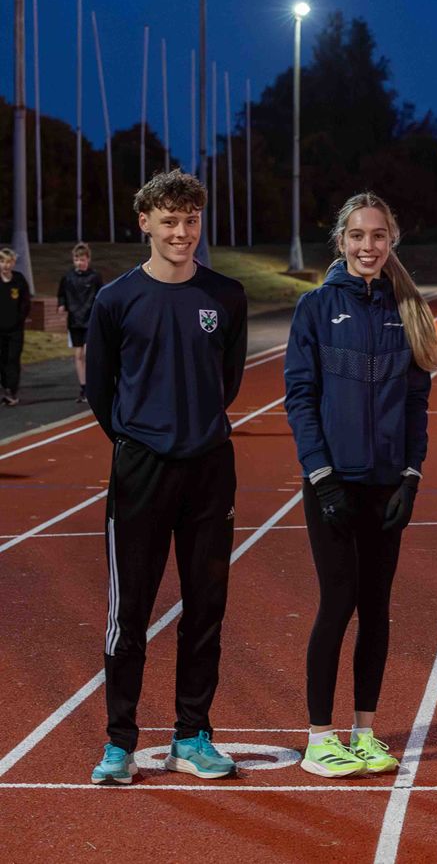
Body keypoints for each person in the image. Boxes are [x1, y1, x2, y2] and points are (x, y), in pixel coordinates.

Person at [85, 169, 248, 784]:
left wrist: (194, 427)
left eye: (191, 221)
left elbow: (227, 381)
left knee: (206, 607)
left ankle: (192, 734)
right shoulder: (116, 300)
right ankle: (119, 743)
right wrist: (139, 438)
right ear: (145, 224)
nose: (182, 232)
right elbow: (101, 392)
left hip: (209, 469)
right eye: (170, 221)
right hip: (141, 471)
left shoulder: (226, 296)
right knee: (129, 611)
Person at [284, 192, 437, 778]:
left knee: (377, 610)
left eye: (378, 235)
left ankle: (365, 732)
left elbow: (418, 407)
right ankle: (320, 737)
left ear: (391, 239)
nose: (367, 246)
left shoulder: (409, 309)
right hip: (334, 484)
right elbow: (300, 399)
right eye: (357, 235)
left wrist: (412, 477)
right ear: (341, 241)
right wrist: (323, 479)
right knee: (338, 603)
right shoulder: (316, 308)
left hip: (386, 485)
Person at [58, 242, 105, 403]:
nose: (80, 263)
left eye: (83, 260)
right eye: (77, 260)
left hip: (90, 320)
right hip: (74, 321)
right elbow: (61, 294)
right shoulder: (68, 277)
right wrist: (61, 305)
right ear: (73, 260)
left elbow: (101, 296)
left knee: (89, 353)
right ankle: (83, 387)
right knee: (78, 355)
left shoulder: (95, 277)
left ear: (88, 259)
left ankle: (95, 385)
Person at [0, 248, 31, 406]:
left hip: (15, 330)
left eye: (8, 262)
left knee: (13, 359)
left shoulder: (19, 280)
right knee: (2, 360)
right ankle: (4, 388)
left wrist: (19, 318)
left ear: (13, 263)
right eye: (3, 261)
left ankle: (12, 391)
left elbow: (26, 302)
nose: (5, 265)